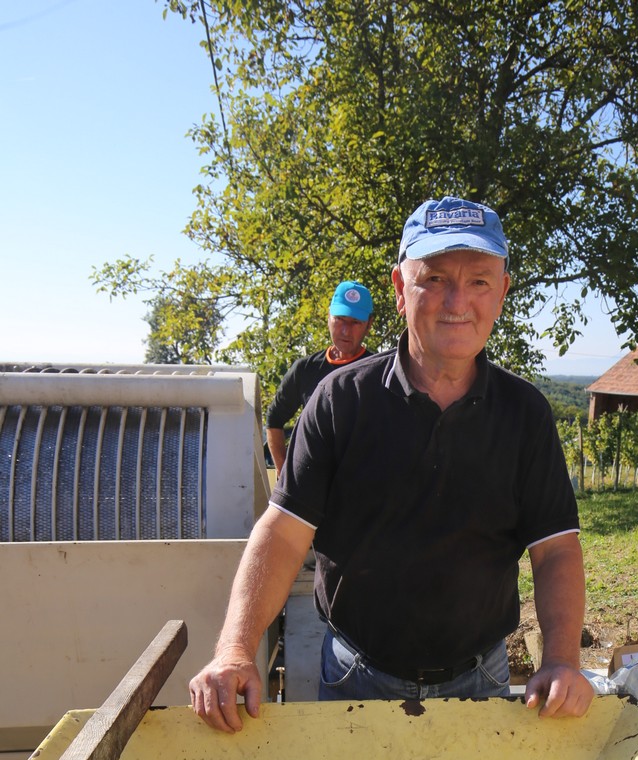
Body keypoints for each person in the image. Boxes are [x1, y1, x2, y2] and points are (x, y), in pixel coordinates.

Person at [191, 195, 594, 731]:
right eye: (434, 279)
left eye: (479, 280)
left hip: (483, 680)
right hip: (356, 676)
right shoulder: (340, 401)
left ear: (502, 293)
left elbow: (555, 550)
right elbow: (284, 533)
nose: (458, 301)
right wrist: (236, 650)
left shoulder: (525, 414)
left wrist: (563, 659)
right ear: (401, 291)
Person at [264, 280, 374, 474]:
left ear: (369, 324)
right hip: (313, 489)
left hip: (363, 491)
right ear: (328, 317)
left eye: (355, 322)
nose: (345, 330)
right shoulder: (305, 369)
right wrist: (284, 475)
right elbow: (274, 418)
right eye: (340, 319)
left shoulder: (381, 371)